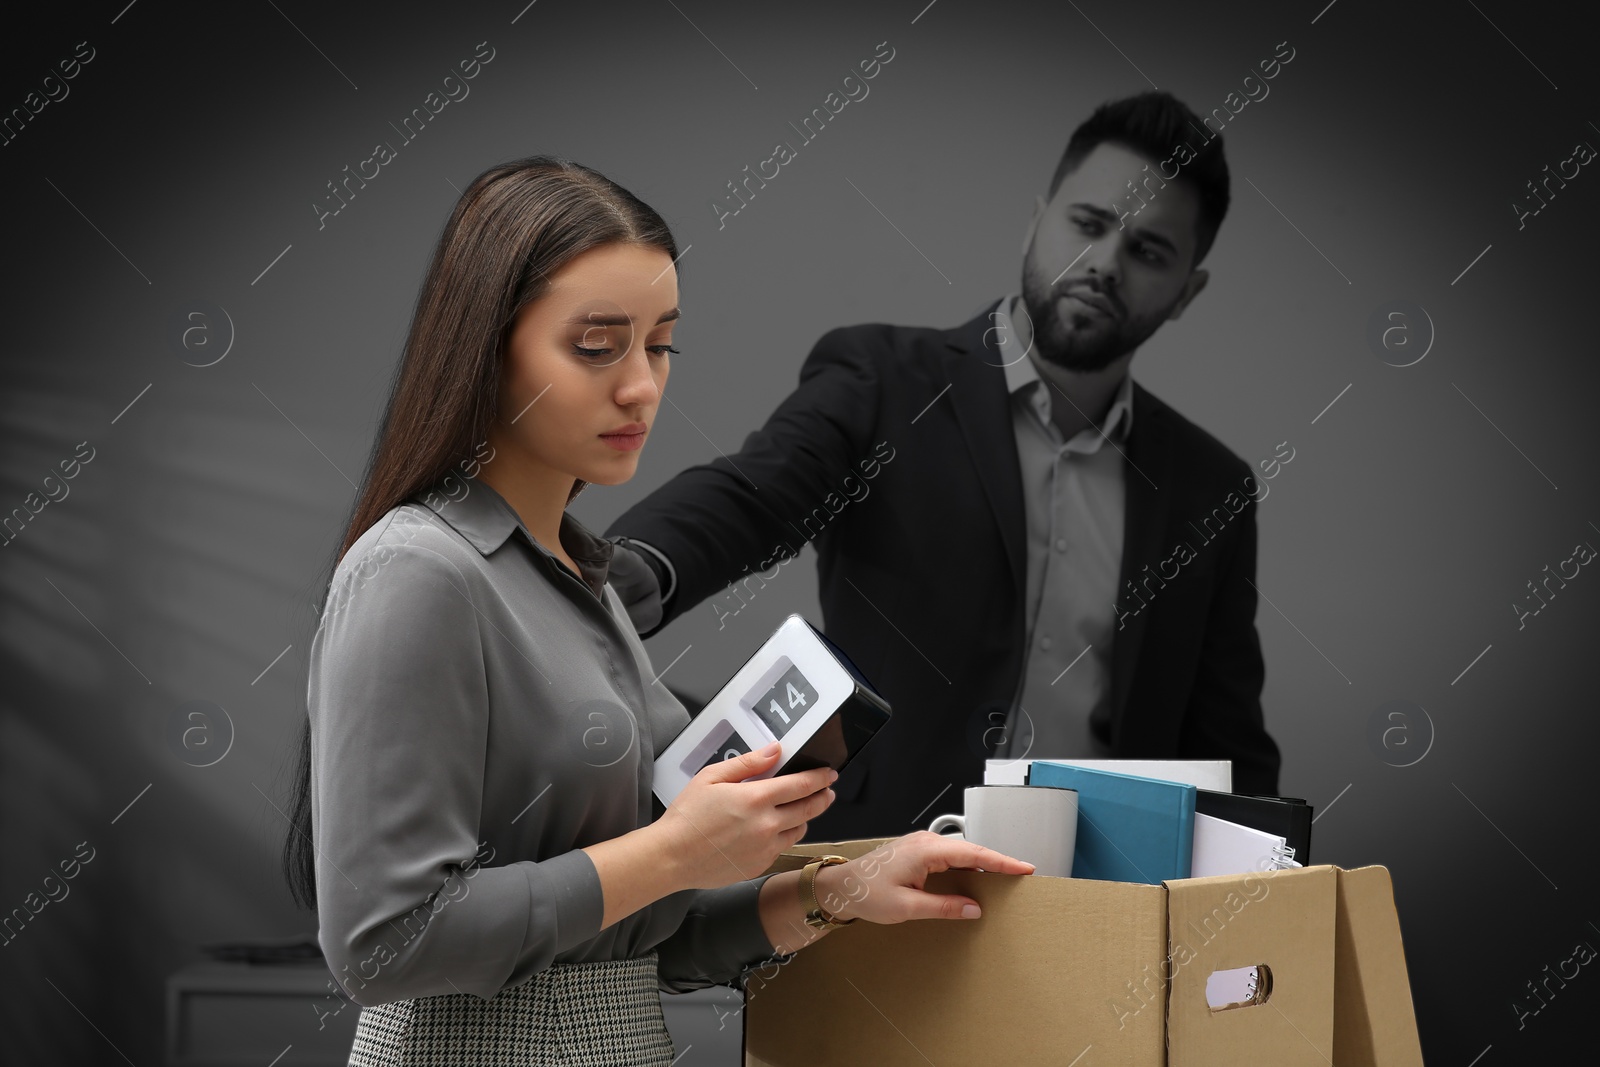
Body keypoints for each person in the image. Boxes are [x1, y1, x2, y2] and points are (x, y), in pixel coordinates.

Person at [278, 156, 1033, 1066]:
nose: (641, 385)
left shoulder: (584, 580)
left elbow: (642, 939)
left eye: (660, 343)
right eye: (597, 346)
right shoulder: (418, 572)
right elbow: (383, 940)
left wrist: (835, 888)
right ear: (485, 346)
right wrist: (675, 850)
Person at [605, 90, 1283, 844]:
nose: (1105, 264)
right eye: (1088, 225)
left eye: (1149, 251)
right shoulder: (884, 381)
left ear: (1187, 292)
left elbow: (1228, 739)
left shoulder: (1208, 489)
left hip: (1095, 896)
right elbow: (754, 494)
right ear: (1038, 218)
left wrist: (1253, 899)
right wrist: (636, 568)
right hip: (876, 862)